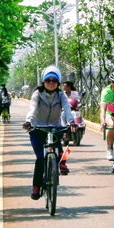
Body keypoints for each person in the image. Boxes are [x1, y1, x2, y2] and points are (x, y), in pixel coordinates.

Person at [23, 65, 78, 200]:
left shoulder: (61, 95)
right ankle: (36, 187)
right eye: (48, 80)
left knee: (60, 146)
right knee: (40, 159)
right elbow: (33, 108)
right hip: (37, 129)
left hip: (55, 128)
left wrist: (72, 122)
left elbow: (67, 109)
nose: (51, 83)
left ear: (58, 82)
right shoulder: (37, 94)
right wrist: (28, 121)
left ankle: (61, 163)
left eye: (54, 80)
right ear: (44, 82)